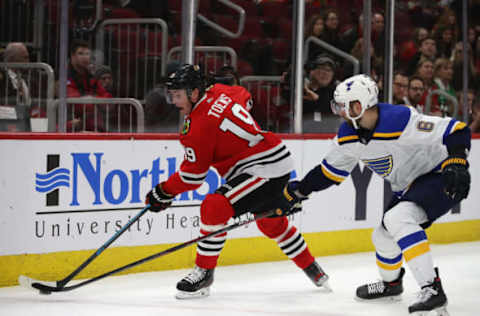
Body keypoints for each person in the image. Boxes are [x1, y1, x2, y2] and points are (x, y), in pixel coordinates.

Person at [280, 74, 471, 315]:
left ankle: (432, 289)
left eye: (343, 106)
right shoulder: (348, 137)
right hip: (409, 187)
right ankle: (392, 285)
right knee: (382, 236)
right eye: (337, 106)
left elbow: (457, 131)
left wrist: (457, 162)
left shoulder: (399, 119)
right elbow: (328, 173)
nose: (339, 111)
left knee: (397, 219)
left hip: (440, 176)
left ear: (359, 106)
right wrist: (299, 191)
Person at [144, 64, 330, 299]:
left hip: (262, 168)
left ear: (194, 93)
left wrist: (163, 191)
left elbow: (193, 177)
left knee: (214, 206)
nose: (174, 102)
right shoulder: (223, 91)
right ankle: (312, 268)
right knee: (270, 222)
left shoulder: (197, 128)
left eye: (178, 95)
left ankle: (204, 272)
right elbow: (246, 97)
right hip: (275, 158)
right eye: (171, 95)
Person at [66, 39, 112, 132]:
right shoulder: (63, 76)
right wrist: (95, 100)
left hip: (90, 125)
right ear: (72, 56)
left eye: (87, 54)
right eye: (81, 53)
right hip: (68, 124)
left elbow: (108, 99)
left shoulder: (91, 77)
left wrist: (92, 98)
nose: (85, 57)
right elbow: (76, 102)